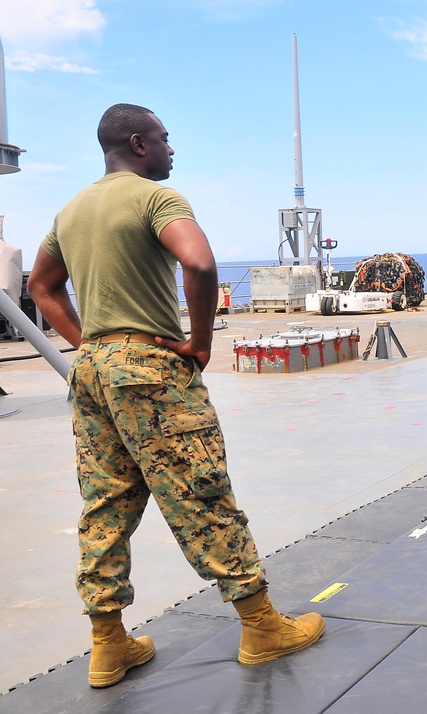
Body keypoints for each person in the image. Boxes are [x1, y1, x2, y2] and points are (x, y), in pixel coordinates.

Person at [27, 103, 325, 689]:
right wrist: (200, 342)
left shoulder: (71, 211)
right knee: (200, 489)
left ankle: (108, 644)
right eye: (164, 138)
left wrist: (92, 346)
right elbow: (199, 262)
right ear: (138, 144)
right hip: (150, 370)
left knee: (105, 503)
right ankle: (261, 625)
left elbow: (41, 286)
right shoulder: (156, 198)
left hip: (91, 372)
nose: (171, 149)